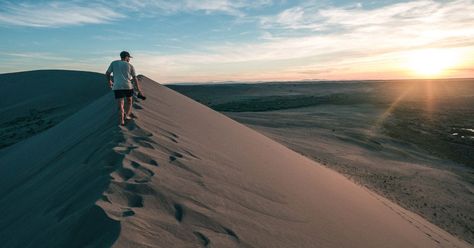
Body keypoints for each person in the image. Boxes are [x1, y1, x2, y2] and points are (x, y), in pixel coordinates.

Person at [106, 51, 146, 125]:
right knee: (129, 101)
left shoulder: (114, 63)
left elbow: (107, 73)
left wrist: (110, 82)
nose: (129, 59)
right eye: (129, 58)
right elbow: (135, 78)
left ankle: (122, 121)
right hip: (127, 86)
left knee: (120, 104)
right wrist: (139, 90)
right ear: (126, 57)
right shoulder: (130, 66)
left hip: (117, 87)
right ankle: (127, 116)